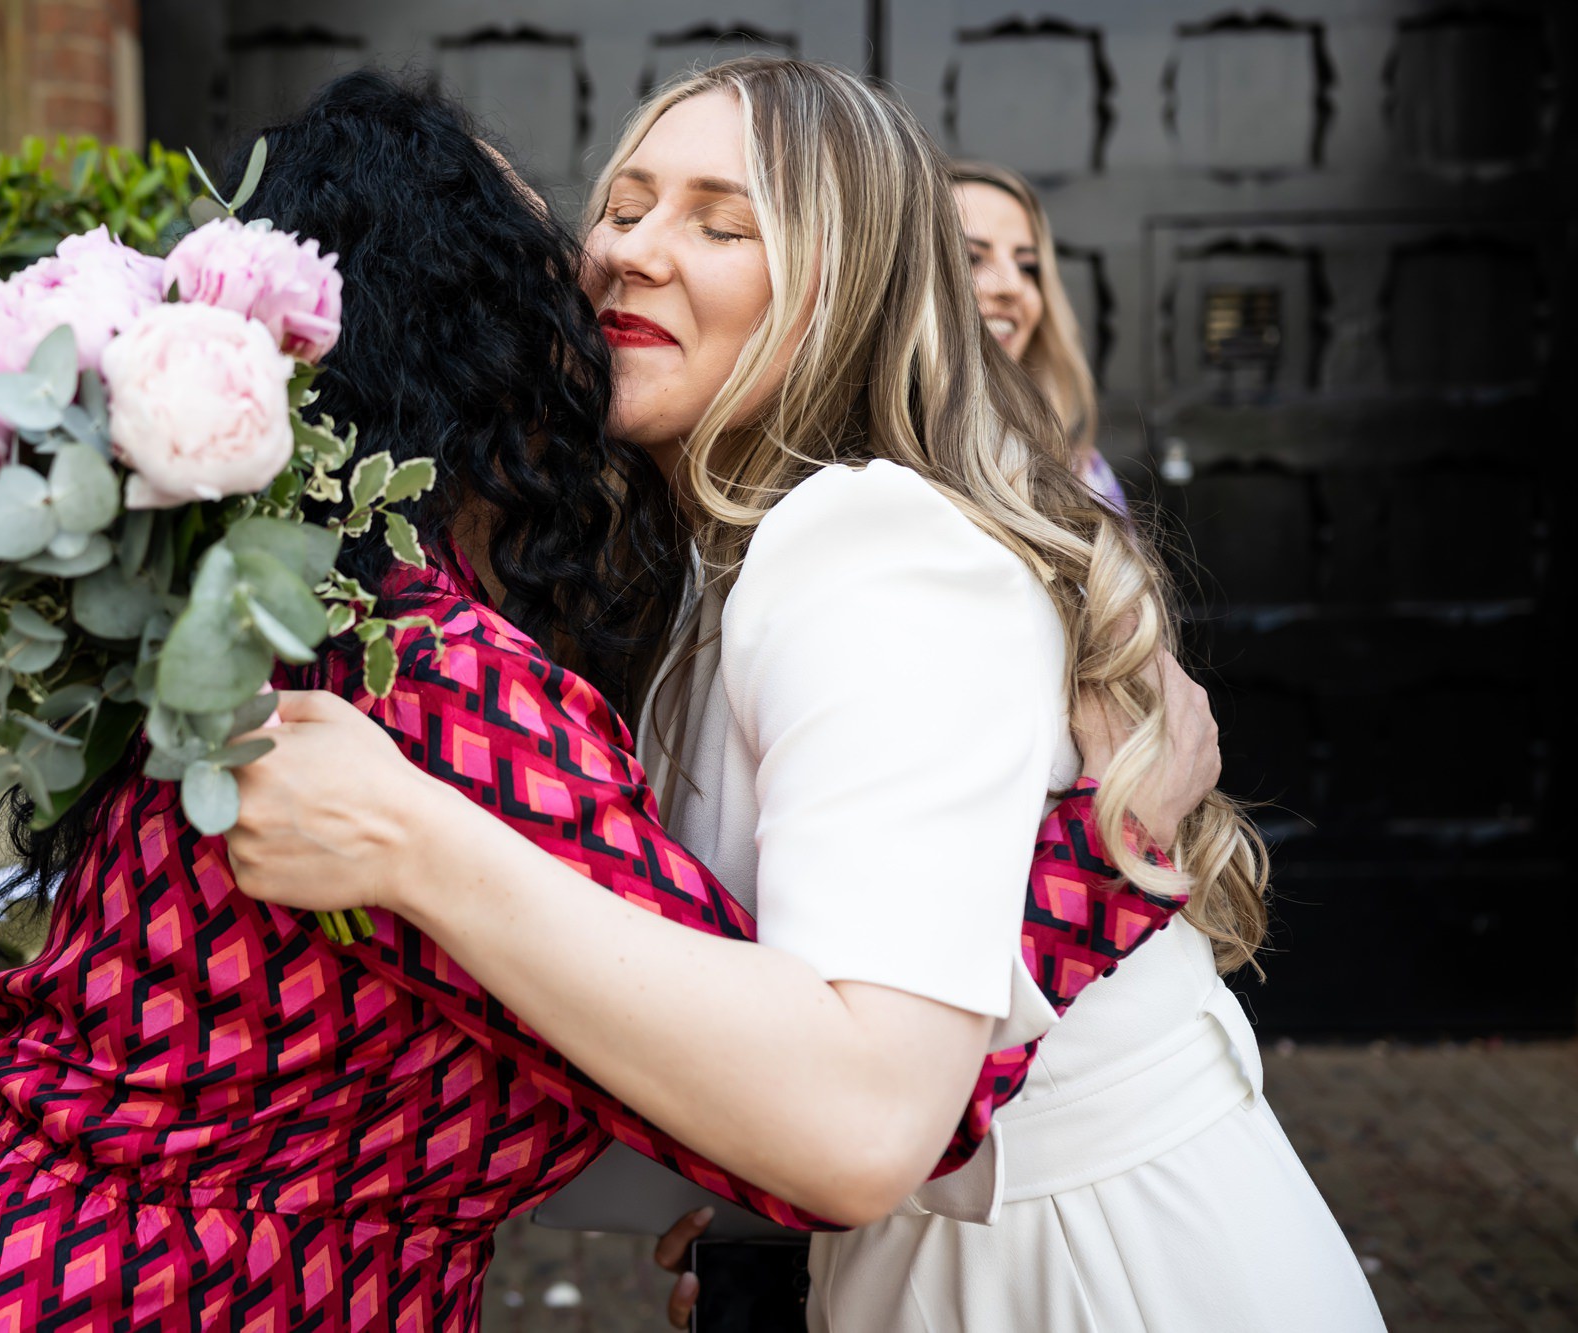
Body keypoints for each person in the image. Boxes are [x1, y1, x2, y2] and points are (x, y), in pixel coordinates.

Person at [0, 72, 1195, 1333]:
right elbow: (818, 1116)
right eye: (557, 244)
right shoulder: (417, 680)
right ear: (470, 319)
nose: (596, 274)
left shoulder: (263, 621)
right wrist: (1111, 856)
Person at [221, 59, 1386, 1332]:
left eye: (722, 225)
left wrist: (408, 838)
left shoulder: (868, 541)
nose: (628, 255)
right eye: (620, 208)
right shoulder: (704, 573)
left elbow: (862, 1113)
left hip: (1088, 1276)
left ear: (854, 297)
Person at [951, 159, 1127, 513]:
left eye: (1028, 265)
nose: (1014, 286)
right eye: (971, 257)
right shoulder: (856, 476)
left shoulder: (1079, 468)